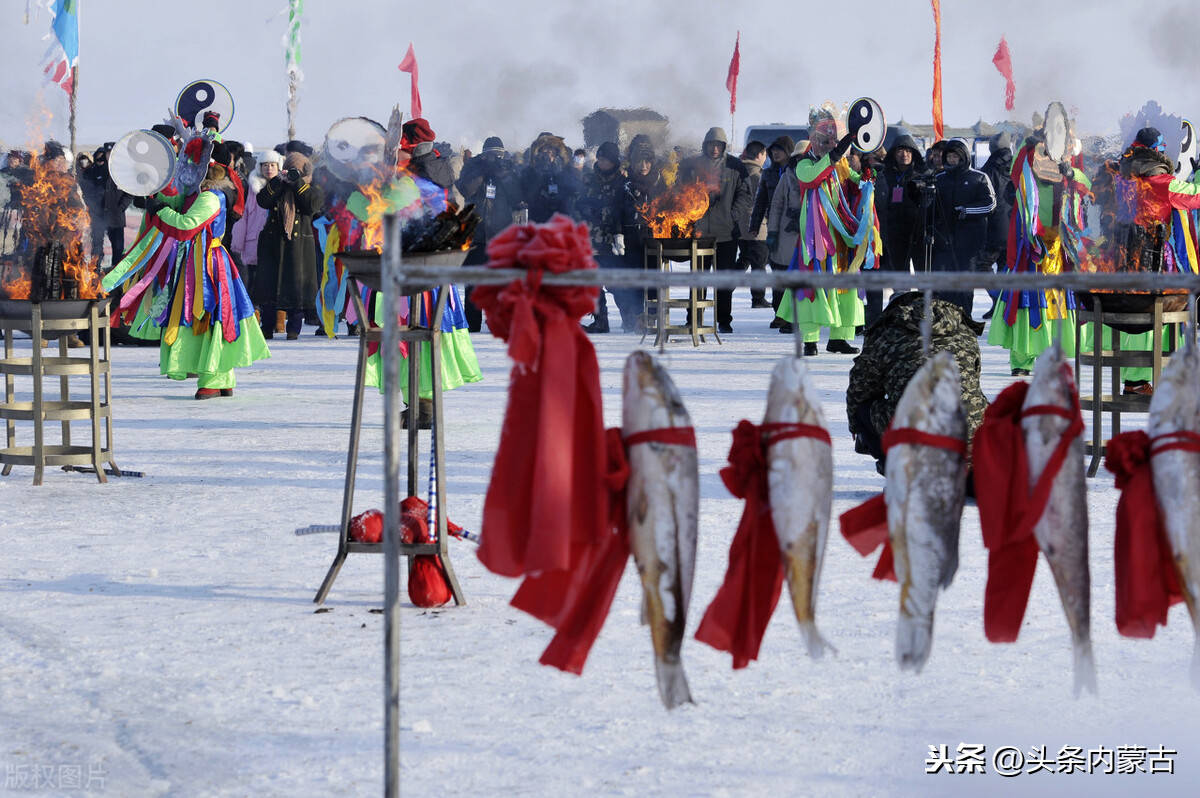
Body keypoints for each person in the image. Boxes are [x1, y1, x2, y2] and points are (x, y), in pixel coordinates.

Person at [100, 128, 269, 399]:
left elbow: (186, 226)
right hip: (197, 261)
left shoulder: (211, 197)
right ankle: (221, 376)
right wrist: (157, 198)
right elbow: (177, 204)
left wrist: (162, 211)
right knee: (206, 318)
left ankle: (213, 377)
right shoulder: (202, 194)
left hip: (208, 267)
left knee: (210, 317)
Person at [774, 107, 879, 355]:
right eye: (822, 141)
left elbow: (855, 183)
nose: (827, 145)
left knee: (845, 285)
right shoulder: (803, 164)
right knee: (813, 286)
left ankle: (839, 338)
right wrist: (835, 155)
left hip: (841, 235)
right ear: (813, 141)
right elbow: (812, 178)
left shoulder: (839, 165)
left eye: (830, 142)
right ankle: (810, 340)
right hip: (816, 240)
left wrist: (866, 177)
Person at [987, 125, 1090, 377]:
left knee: (1057, 302)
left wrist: (1071, 171)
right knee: (1027, 299)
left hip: (1061, 243)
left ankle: (1055, 354)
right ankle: (1022, 360)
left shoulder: (1070, 154)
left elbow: (1086, 185)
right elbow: (1016, 173)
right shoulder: (1030, 151)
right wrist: (1032, 144)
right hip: (1032, 242)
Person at [846, 291, 987, 474]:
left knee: (862, 408)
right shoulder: (963, 328)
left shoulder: (886, 332)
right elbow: (974, 379)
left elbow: (860, 387)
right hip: (968, 438)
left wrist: (855, 426)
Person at [677, 126, 751, 334]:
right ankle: (694, 318)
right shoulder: (692, 167)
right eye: (711, 144)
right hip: (699, 234)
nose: (714, 148)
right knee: (697, 279)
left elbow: (745, 195)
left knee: (724, 280)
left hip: (726, 234)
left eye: (718, 145)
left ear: (724, 146)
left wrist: (732, 215)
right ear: (705, 145)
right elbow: (681, 192)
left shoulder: (736, 167)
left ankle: (724, 320)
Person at [254, 151, 324, 340]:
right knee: (269, 289)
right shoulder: (277, 185)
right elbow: (262, 201)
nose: (292, 173)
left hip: (299, 246)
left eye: (297, 170)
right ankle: (266, 328)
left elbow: (312, 206)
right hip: (273, 245)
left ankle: (294, 329)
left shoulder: (312, 187)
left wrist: (297, 183)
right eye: (289, 169)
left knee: (297, 290)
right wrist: (278, 181)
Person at [456, 136, 523, 332]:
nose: (495, 158)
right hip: (476, 233)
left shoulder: (510, 168)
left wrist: (504, 174)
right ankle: (472, 324)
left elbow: (518, 197)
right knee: (473, 283)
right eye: (491, 155)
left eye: (498, 155)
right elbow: (465, 190)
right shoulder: (474, 167)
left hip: (501, 234)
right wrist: (482, 171)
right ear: (483, 155)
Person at [929, 138, 996, 317]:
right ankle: (945, 324)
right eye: (949, 156)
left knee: (965, 287)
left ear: (964, 157)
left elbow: (990, 205)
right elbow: (931, 209)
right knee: (943, 286)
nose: (952, 160)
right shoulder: (939, 178)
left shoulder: (979, 177)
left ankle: (964, 323)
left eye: (956, 156)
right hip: (943, 242)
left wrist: (967, 211)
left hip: (970, 244)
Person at [577, 141, 631, 333]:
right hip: (591, 239)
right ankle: (600, 320)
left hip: (613, 239)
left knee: (616, 283)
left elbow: (623, 209)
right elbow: (579, 202)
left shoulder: (622, 182)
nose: (602, 163)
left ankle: (629, 320)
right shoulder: (590, 180)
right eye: (600, 159)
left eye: (606, 159)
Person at [749, 135, 795, 325]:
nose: (775, 153)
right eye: (773, 149)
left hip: (794, 228)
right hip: (774, 225)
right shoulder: (768, 173)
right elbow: (760, 201)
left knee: (791, 272)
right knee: (777, 270)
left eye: (780, 149)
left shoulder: (797, 170)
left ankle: (791, 314)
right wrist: (754, 224)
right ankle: (779, 314)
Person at [230, 149, 282, 304]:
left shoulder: (283, 187)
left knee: (274, 280)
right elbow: (244, 216)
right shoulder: (253, 188)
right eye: (265, 165)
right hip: (254, 240)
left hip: (276, 240)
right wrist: (238, 242)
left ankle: (277, 316)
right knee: (253, 280)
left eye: (273, 165)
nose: (269, 168)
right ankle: (254, 313)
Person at [977, 132, 1015, 319]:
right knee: (1004, 267)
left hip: (993, 226)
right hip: (1013, 225)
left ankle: (997, 299)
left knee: (981, 265)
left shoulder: (988, 169)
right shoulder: (1016, 165)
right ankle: (1002, 305)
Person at [736, 141, 772, 309]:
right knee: (759, 263)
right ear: (759, 155)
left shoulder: (738, 171)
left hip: (740, 227)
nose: (765, 158)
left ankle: (726, 285)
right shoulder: (757, 175)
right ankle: (758, 298)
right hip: (757, 228)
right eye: (764, 155)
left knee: (744, 259)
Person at [521, 133, 579, 223]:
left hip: (560, 219)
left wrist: (558, 173)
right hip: (538, 220)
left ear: (556, 151)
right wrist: (539, 172)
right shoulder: (529, 171)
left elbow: (573, 190)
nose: (548, 152)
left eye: (550, 149)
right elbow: (527, 195)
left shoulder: (566, 168)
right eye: (544, 149)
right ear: (538, 152)